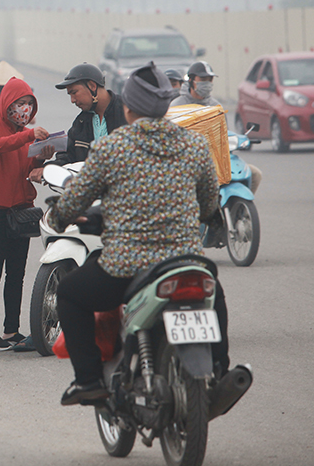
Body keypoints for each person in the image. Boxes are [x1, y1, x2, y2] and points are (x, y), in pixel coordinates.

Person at [51, 63, 231, 406]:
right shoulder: (194, 145)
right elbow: (209, 204)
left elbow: (75, 198)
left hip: (127, 266)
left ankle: (88, 380)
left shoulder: (113, 148)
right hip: (185, 262)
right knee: (214, 294)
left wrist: (59, 216)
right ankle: (220, 370)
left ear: (129, 108)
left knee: (70, 295)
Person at [0, 77, 52, 351]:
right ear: (6, 104)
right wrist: (28, 135)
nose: (24, 109)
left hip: (21, 211)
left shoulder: (26, 133)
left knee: (17, 274)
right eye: (20, 103)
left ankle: (11, 330)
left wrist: (42, 157)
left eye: (29, 104)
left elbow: (26, 165)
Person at [171, 61, 263, 193]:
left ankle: (241, 210)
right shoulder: (176, 107)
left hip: (217, 161)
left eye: (210, 80)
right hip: (188, 164)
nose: (207, 83)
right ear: (191, 81)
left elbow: (224, 134)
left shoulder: (216, 107)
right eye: (203, 79)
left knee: (254, 174)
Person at [44, 63, 126, 173]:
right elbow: (68, 157)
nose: (72, 100)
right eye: (70, 95)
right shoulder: (81, 122)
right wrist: (45, 168)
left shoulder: (128, 112)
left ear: (92, 86)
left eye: (74, 92)